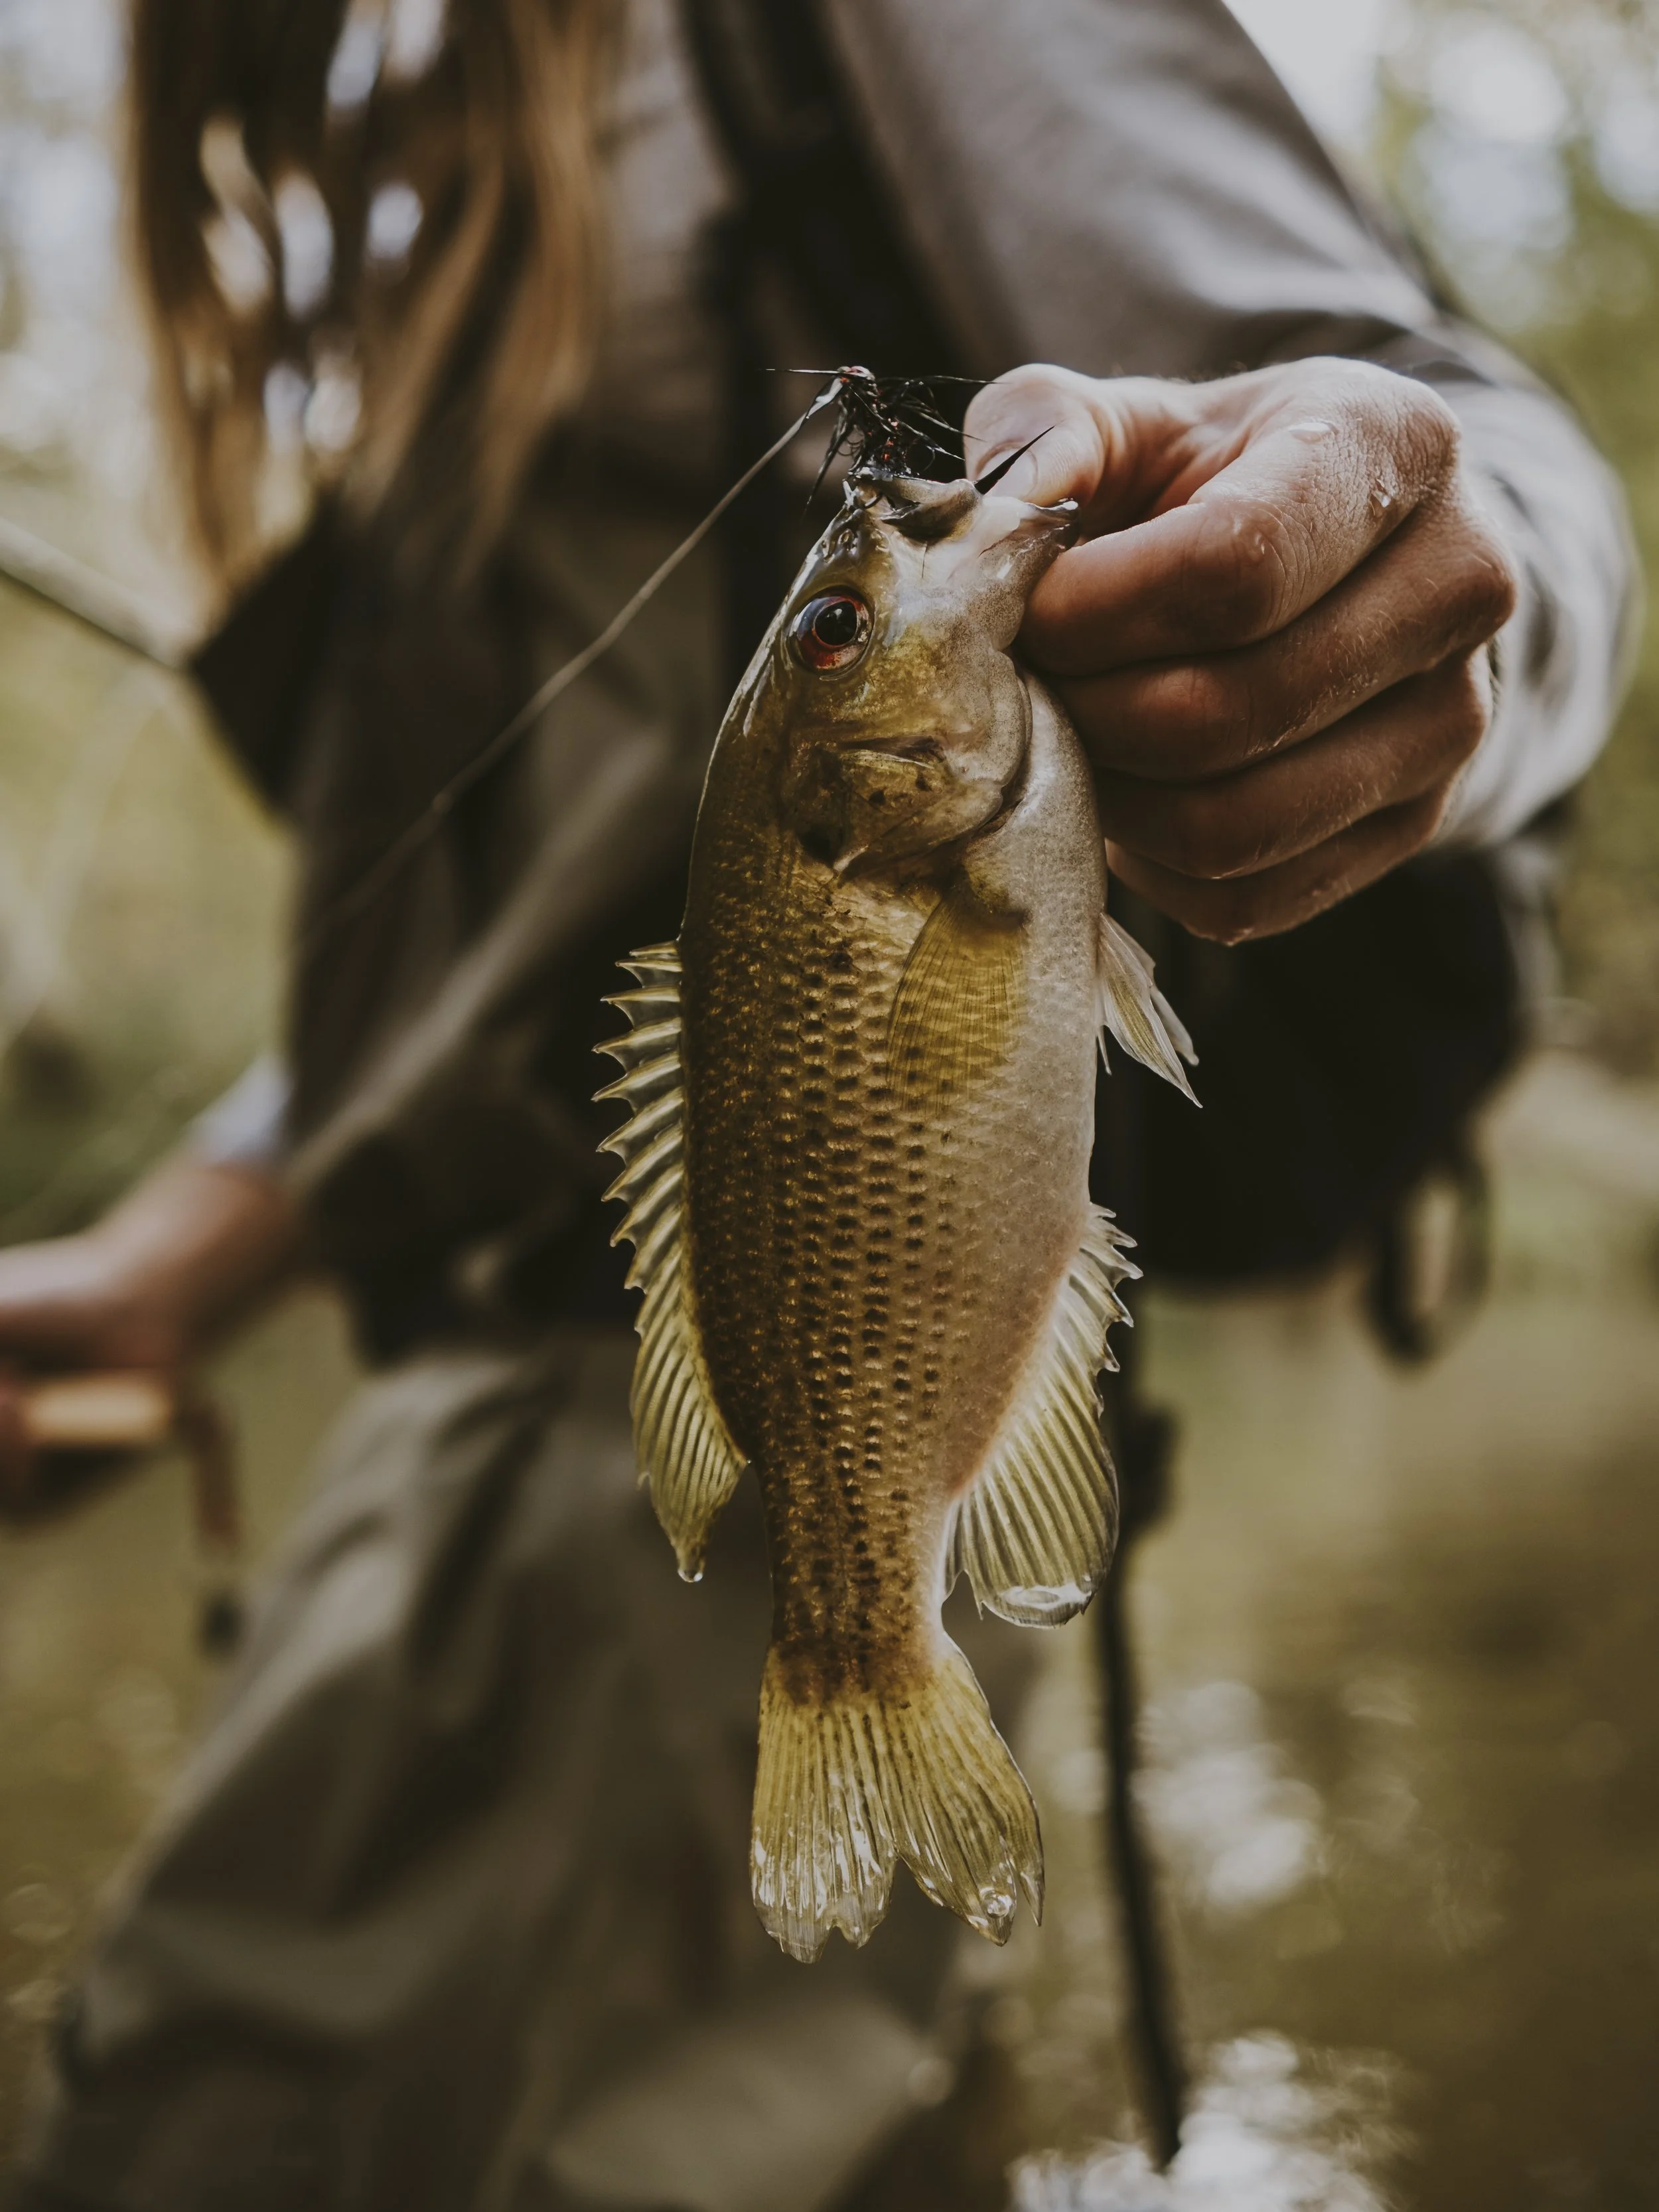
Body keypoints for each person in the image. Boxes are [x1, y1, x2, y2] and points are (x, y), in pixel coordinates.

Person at [0, 0, 1636, 2207]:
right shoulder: (408, 161)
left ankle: (860, 1662)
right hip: (456, 1464)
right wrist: (181, 1249)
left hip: (646, 1526)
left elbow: (1489, 466)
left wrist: (1443, 611)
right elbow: (537, 953)